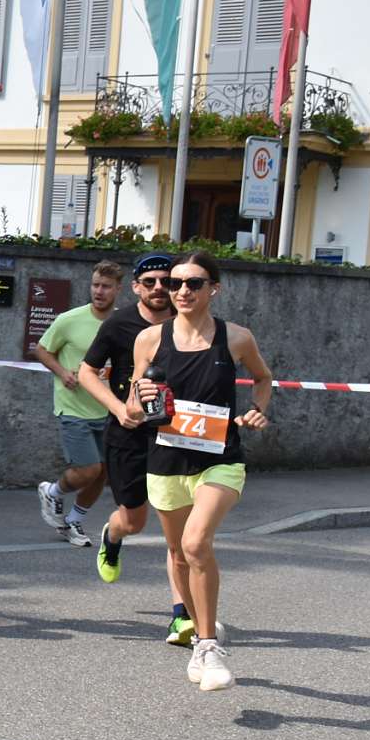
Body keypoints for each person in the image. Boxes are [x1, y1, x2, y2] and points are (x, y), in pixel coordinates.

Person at [131, 252, 272, 692]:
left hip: (220, 458)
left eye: (193, 283)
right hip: (167, 460)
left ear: (214, 288)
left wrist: (257, 410)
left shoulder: (236, 338)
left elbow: (263, 378)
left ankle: (209, 646)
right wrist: (141, 398)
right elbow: (134, 406)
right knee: (178, 553)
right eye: (175, 284)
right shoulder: (149, 339)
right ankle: (198, 634)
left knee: (196, 543)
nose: (181, 291)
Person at [77, 253, 197, 645]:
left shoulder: (189, 325)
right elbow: (86, 372)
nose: (159, 288)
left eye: (167, 281)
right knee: (134, 521)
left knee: (177, 531)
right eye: (150, 282)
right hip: (128, 435)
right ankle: (112, 536)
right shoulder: (119, 324)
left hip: (174, 435)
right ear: (136, 287)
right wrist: (116, 408)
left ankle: (181, 616)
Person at [32, 261, 124, 547]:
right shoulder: (69, 319)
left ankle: (73, 520)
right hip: (73, 406)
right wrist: (62, 373)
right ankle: (53, 492)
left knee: (103, 472)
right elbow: (42, 350)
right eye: (95, 285)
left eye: (106, 286)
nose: (99, 291)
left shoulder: (122, 323)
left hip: (108, 407)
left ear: (118, 290)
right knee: (88, 469)